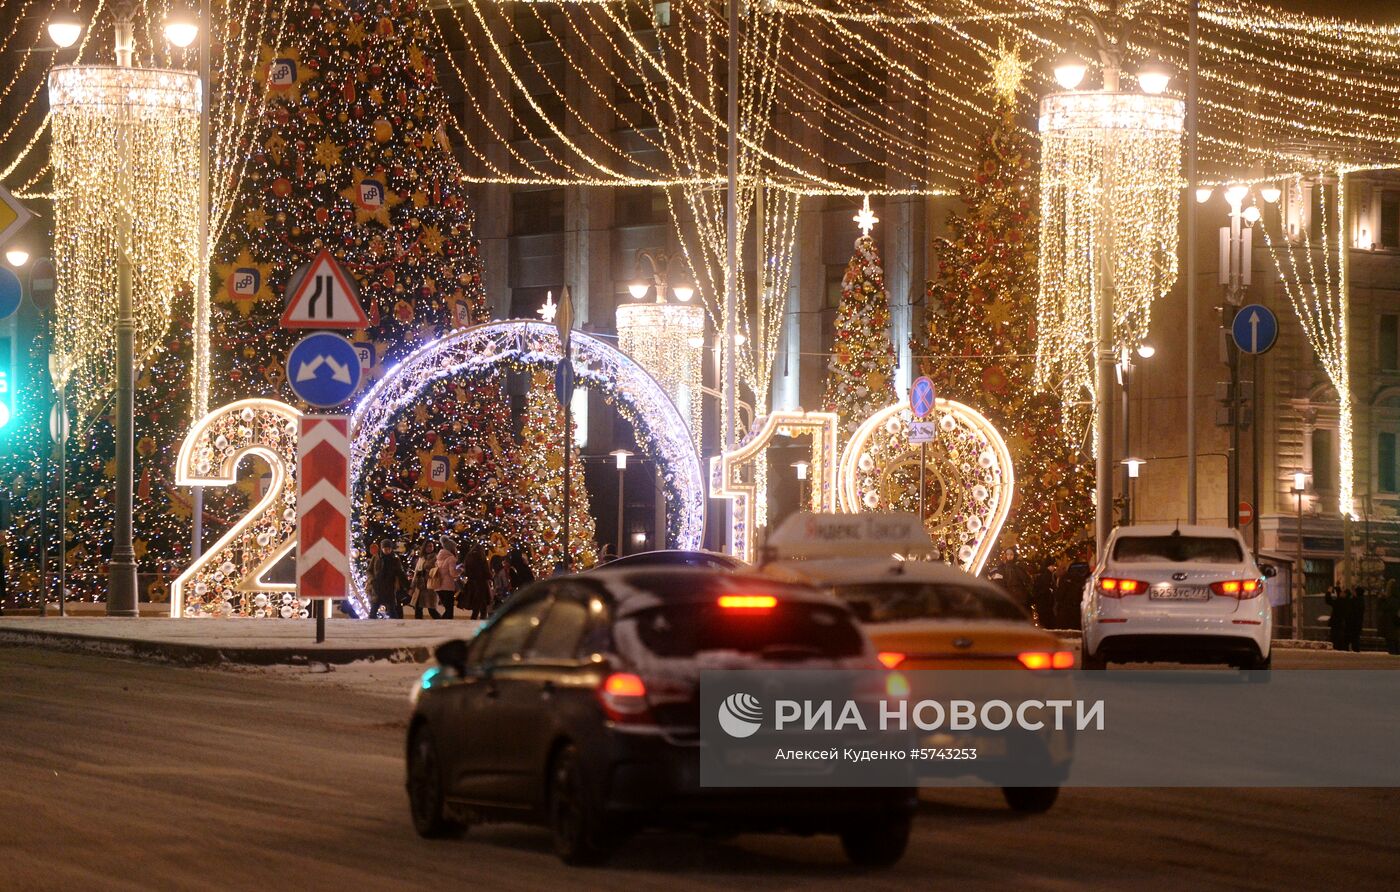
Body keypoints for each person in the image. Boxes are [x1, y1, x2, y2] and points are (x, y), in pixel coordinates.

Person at [369, 538, 407, 619]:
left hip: (389, 587)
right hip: (377, 587)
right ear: (382, 548)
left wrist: (407, 586)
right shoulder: (376, 557)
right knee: (374, 609)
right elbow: (369, 570)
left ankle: (396, 626)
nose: (386, 551)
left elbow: (400, 573)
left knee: (391, 610)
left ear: (391, 549)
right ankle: (370, 626)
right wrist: (372, 580)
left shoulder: (395, 560)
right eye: (385, 549)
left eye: (388, 549)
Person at [432, 537, 461, 620]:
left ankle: (443, 624)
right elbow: (453, 573)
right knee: (449, 610)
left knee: (447, 609)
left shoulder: (438, 558)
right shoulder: (451, 558)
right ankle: (444, 625)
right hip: (447, 587)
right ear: (451, 548)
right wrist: (460, 570)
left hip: (438, 586)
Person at [409, 541, 438, 620]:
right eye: (428, 546)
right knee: (418, 608)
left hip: (429, 586)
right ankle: (417, 625)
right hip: (420, 586)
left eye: (431, 546)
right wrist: (413, 586)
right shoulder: (421, 558)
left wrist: (427, 571)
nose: (430, 548)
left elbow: (436, 571)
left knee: (431, 609)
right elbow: (416, 572)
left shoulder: (436, 558)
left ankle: (443, 623)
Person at [463, 545, 492, 620]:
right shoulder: (481, 557)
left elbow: (466, 570)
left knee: (477, 600)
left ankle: (475, 617)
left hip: (472, 582)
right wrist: (490, 577)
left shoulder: (468, 557)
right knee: (482, 601)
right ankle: (481, 618)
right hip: (481, 582)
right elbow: (486, 570)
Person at [1378, 579, 1400, 655]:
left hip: (1390, 625)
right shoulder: (1396, 599)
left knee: (1391, 644)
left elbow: (1382, 608)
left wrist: (1381, 599)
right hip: (1395, 625)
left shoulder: (1390, 600)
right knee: (1396, 642)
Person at [1324, 585, 1348, 650]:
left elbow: (1328, 600)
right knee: (1340, 638)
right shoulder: (1346, 602)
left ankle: (1337, 648)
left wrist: (1329, 592)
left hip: (1336, 623)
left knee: (1335, 638)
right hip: (1342, 624)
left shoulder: (1340, 602)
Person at [1345, 585, 1367, 652]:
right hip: (1357, 623)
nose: (1353, 593)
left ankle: (1355, 649)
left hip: (1354, 623)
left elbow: (1352, 611)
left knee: (1354, 637)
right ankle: (1355, 648)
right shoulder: (1361, 600)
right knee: (1355, 637)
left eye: (1354, 591)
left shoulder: (1356, 601)